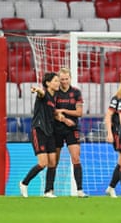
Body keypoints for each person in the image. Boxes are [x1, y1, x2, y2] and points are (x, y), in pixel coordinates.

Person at [19, 72, 74, 198]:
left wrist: (62, 119)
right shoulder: (44, 94)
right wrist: (37, 89)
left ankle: (48, 191)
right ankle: (24, 183)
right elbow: (41, 93)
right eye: (55, 81)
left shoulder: (54, 98)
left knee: (53, 162)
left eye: (58, 81)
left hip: (50, 132)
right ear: (48, 83)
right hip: (39, 130)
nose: (58, 83)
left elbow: (52, 112)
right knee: (43, 163)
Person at [52, 68, 87, 198]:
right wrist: (62, 118)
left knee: (76, 158)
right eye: (62, 79)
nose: (64, 81)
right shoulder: (55, 92)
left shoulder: (76, 92)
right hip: (57, 129)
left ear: (70, 78)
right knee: (54, 161)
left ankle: (79, 190)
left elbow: (79, 113)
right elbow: (51, 111)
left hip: (72, 129)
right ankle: (50, 189)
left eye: (66, 79)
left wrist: (63, 110)